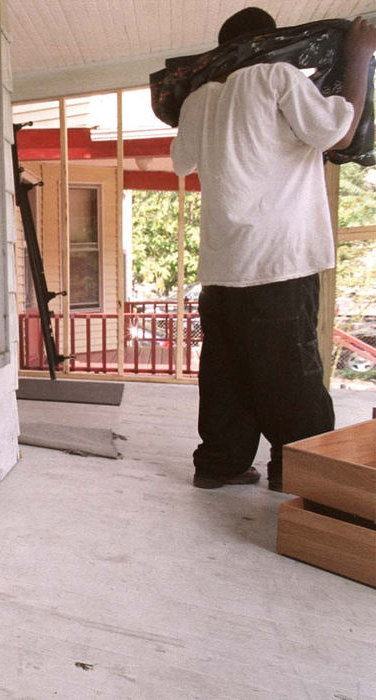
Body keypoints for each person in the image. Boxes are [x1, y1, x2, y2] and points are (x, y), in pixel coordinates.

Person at [170, 9, 376, 490]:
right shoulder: (276, 77)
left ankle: (220, 464)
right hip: (279, 260)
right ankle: (302, 473)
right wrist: (360, 56)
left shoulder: (199, 99)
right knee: (292, 376)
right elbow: (339, 132)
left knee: (226, 375)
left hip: (222, 271)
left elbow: (181, 162)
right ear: (271, 42)